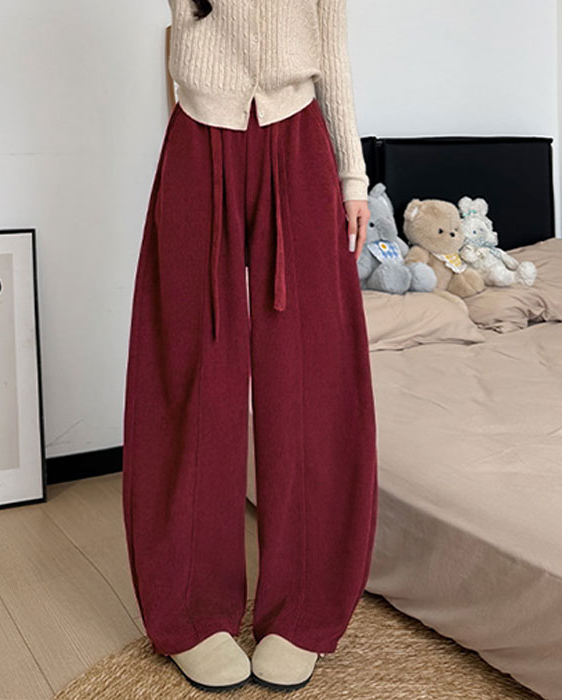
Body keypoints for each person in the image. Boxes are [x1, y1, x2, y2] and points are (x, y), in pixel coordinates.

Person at [122, 0, 378, 692]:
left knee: (311, 376)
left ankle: (305, 608)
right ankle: (191, 611)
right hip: (198, 138)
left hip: (298, 141)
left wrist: (352, 177)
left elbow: (332, 50)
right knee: (191, 371)